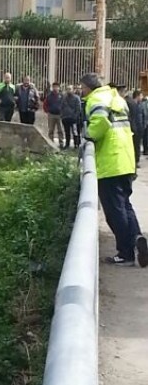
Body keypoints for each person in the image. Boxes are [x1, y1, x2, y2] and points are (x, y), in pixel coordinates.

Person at [80, 72, 148, 267]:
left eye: (83, 88)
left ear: (89, 87)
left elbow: (100, 123)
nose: (81, 92)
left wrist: (88, 136)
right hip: (125, 160)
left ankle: (125, 253)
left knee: (115, 210)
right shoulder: (115, 97)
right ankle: (136, 238)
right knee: (126, 205)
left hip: (110, 162)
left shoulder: (97, 99)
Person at [60, 84, 83, 149]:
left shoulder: (76, 98)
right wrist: (62, 115)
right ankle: (67, 144)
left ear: (73, 90)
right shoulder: (64, 98)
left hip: (73, 119)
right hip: (65, 118)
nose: (68, 90)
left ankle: (76, 144)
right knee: (67, 132)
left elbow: (78, 109)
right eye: (67, 89)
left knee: (75, 132)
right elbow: (61, 107)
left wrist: (75, 117)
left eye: (70, 89)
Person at [43, 82, 65, 147]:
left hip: (60, 115)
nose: (55, 88)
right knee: (51, 129)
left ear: (59, 87)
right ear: (52, 87)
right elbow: (45, 104)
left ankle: (61, 143)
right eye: (54, 87)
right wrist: (47, 111)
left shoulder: (62, 95)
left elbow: (64, 104)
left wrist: (63, 112)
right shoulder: (49, 95)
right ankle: (50, 142)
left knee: (60, 129)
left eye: (56, 87)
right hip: (51, 115)